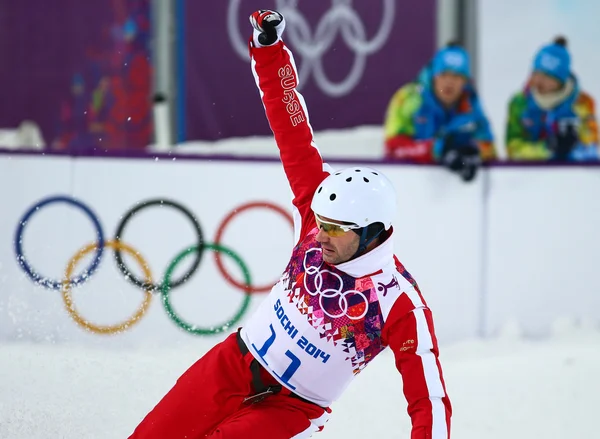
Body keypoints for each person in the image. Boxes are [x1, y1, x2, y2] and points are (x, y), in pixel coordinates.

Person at [128, 10, 451, 439]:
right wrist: (269, 53)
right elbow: (292, 127)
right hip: (234, 365)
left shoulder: (399, 302)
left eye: (337, 229)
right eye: (321, 222)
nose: (321, 234)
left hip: (291, 410)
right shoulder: (316, 206)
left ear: (373, 234)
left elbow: (428, 400)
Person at [384, 42, 496, 182]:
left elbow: (489, 147)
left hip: (455, 196)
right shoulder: (409, 99)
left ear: (465, 81)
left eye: (456, 76)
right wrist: (437, 150)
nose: (449, 83)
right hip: (407, 187)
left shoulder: (471, 105)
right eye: (443, 75)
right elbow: (392, 149)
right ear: (433, 76)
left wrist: (472, 152)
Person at [506, 36, 599, 161]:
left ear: (560, 81)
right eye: (536, 73)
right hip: (530, 177)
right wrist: (547, 149)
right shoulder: (520, 103)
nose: (538, 81)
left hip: (574, 177)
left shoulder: (582, 103)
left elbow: (592, 149)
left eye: (547, 76)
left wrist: (572, 148)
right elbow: (513, 149)